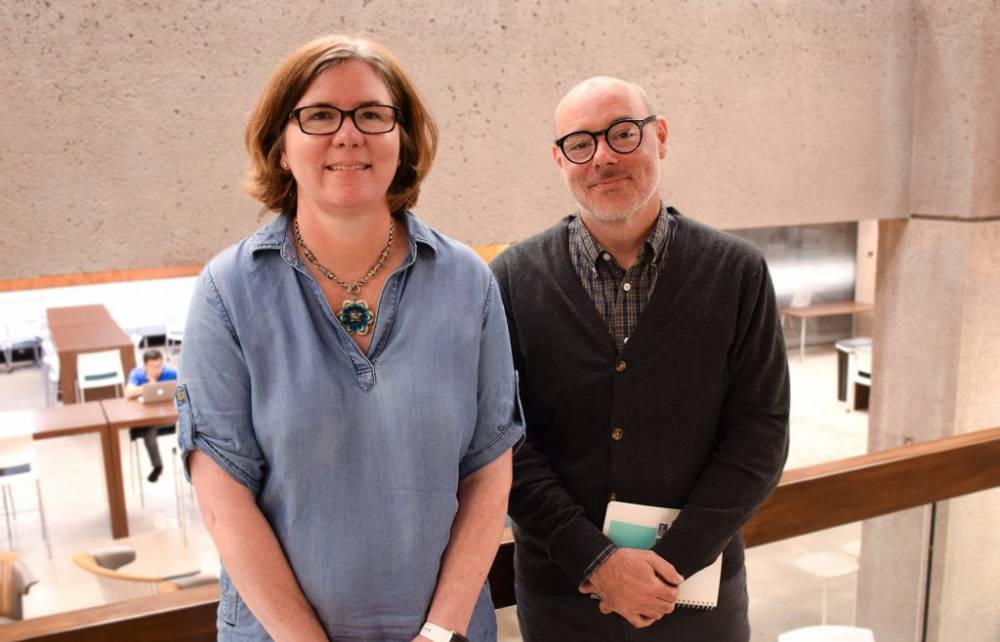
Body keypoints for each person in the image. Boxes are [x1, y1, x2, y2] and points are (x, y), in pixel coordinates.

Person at [177, 35, 523, 641]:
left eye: (372, 113)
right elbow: (222, 496)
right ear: (281, 146)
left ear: (402, 139)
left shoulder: (470, 283)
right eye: (319, 115)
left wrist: (441, 632)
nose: (348, 134)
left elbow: (489, 470)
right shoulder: (227, 292)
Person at [490, 76, 790, 641]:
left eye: (623, 134)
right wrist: (598, 563)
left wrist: (667, 566)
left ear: (661, 137)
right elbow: (503, 438)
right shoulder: (510, 280)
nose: (603, 156)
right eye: (581, 144)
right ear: (560, 161)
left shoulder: (737, 273)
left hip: (699, 596)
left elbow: (761, 435)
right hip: (565, 598)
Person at [123, 348, 177, 482]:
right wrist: (149, 387)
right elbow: (129, 393)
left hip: (169, 418)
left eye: (160, 365)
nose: (157, 369)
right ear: (145, 365)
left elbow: (182, 389)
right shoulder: (137, 374)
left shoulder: (170, 372)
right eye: (153, 366)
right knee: (148, 430)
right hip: (148, 419)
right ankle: (157, 465)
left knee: (185, 424)